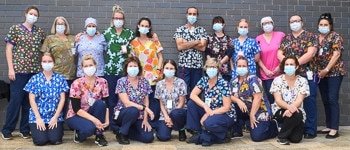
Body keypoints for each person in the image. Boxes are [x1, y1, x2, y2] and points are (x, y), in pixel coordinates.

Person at [2, 6, 46, 140]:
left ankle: (24, 129)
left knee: (29, 101)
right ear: (26, 14)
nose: (33, 16)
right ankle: (7, 129)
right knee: (16, 100)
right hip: (19, 71)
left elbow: (44, 48)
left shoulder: (39, 32)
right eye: (31, 13)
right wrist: (11, 68)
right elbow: (8, 49)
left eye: (35, 14)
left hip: (34, 72)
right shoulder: (15, 29)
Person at [277, 14, 318, 139]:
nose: (294, 23)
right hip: (290, 77)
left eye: (297, 21)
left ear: (302, 22)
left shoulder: (311, 36)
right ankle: (297, 128)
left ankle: (310, 130)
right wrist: (288, 65)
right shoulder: (286, 38)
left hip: (307, 74)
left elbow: (311, 53)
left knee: (309, 101)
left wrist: (294, 64)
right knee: (291, 101)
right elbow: (279, 53)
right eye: (292, 21)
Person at [186, 58, 235, 146]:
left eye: (214, 67)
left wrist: (209, 113)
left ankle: (224, 133)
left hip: (224, 113)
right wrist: (205, 106)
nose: (211, 69)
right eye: (209, 67)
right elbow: (192, 95)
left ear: (218, 69)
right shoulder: (204, 80)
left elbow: (226, 107)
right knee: (191, 103)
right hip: (209, 109)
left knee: (208, 123)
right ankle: (197, 132)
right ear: (206, 68)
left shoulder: (223, 83)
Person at [23, 52, 69, 145]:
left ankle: (56, 131)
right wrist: (38, 118)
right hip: (38, 116)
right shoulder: (34, 79)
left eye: (49, 61)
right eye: (44, 61)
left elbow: (62, 99)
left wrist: (55, 117)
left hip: (54, 116)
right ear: (41, 63)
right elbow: (31, 100)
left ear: (54, 62)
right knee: (40, 141)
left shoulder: (60, 78)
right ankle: (38, 132)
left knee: (54, 140)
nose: (47, 63)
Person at [103, 5, 135, 132]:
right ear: (112, 19)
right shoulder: (106, 33)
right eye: (116, 18)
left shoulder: (129, 33)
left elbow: (136, 46)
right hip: (110, 71)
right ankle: (113, 124)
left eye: (120, 18)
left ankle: (123, 122)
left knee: (123, 99)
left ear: (124, 19)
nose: (118, 20)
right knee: (111, 99)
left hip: (123, 71)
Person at [230, 57, 277, 141]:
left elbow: (258, 98)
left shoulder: (253, 79)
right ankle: (237, 130)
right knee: (231, 106)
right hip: (245, 109)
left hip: (259, 110)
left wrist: (252, 115)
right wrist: (237, 100)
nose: (241, 68)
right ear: (235, 67)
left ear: (248, 67)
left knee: (257, 137)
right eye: (239, 66)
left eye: (244, 66)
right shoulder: (233, 81)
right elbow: (229, 95)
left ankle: (273, 126)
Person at [66, 55, 109, 147]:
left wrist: (107, 120)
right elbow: (76, 109)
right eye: (86, 66)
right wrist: (95, 120)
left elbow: (106, 103)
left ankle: (99, 135)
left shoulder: (103, 82)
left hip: (93, 112)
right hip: (76, 115)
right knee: (89, 129)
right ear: (82, 68)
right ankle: (79, 134)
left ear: (96, 66)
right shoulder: (76, 83)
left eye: (91, 65)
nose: (89, 68)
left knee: (100, 104)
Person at [315, 13, 345, 139]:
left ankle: (334, 128)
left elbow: (336, 54)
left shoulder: (336, 36)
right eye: (321, 24)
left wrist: (326, 69)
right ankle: (328, 125)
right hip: (321, 73)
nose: (323, 26)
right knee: (325, 99)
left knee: (332, 99)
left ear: (330, 25)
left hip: (334, 72)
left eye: (325, 25)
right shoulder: (316, 38)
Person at [113, 56, 155, 144]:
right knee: (133, 110)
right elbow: (127, 103)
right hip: (123, 114)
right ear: (126, 68)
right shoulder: (121, 81)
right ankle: (122, 133)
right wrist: (144, 108)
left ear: (139, 68)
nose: (133, 68)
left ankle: (125, 130)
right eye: (130, 66)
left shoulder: (144, 81)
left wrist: (145, 119)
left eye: (135, 66)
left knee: (148, 137)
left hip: (139, 116)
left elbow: (146, 101)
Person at [41, 16, 76, 117]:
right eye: (58, 24)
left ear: (66, 26)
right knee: (57, 100)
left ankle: (67, 122)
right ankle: (56, 122)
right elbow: (45, 56)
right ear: (55, 25)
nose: (60, 26)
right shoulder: (50, 39)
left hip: (71, 75)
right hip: (56, 75)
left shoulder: (72, 38)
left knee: (69, 101)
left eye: (62, 24)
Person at [270, 56, 310, 145]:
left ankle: (284, 130)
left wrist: (290, 109)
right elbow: (278, 100)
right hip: (280, 110)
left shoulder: (303, 81)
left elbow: (300, 100)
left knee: (296, 139)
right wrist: (288, 108)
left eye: (291, 64)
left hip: (296, 109)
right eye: (286, 64)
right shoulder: (277, 80)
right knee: (296, 114)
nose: (289, 66)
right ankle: (282, 136)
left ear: (297, 67)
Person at [130, 17, 163, 122]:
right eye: (142, 25)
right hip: (140, 76)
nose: (144, 28)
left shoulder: (154, 41)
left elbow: (160, 57)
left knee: (154, 100)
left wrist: (158, 71)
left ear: (150, 28)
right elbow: (132, 59)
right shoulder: (133, 42)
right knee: (142, 99)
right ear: (138, 26)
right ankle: (143, 121)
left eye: (146, 26)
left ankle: (153, 122)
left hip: (153, 75)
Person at [173, 7, 208, 102]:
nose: (192, 16)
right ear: (186, 15)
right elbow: (179, 47)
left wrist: (187, 43)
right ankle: (182, 111)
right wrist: (196, 42)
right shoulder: (180, 30)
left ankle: (193, 111)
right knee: (183, 89)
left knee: (195, 91)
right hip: (184, 65)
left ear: (197, 16)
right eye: (190, 14)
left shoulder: (202, 30)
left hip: (197, 66)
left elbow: (203, 47)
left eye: (194, 14)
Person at [153, 59, 187, 141]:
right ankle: (166, 127)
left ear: (175, 70)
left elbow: (181, 103)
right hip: (165, 114)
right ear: (163, 70)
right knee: (163, 137)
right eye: (167, 68)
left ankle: (181, 129)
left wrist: (171, 117)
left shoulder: (181, 82)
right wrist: (167, 117)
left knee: (176, 113)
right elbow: (161, 104)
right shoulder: (159, 84)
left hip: (178, 112)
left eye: (171, 68)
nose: (169, 70)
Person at [256, 16, 285, 104]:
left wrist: (280, 67)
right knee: (271, 98)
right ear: (262, 26)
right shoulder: (258, 39)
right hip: (266, 75)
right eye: (265, 23)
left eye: (269, 23)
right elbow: (258, 58)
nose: (267, 25)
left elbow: (285, 53)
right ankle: (272, 117)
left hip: (280, 73)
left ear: (273, 24)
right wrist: (265, 70)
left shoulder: (281, 35)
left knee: (282, 98)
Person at [206, 16, 234, 82]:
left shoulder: (228, 38)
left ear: (223, 25)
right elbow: (207, 52)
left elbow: (230, 53)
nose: (217, 24)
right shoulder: (210, 38)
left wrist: (220, 63)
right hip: (212, 69)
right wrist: (213, 64)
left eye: (219, 22)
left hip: (225, 69)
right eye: (215, 23)